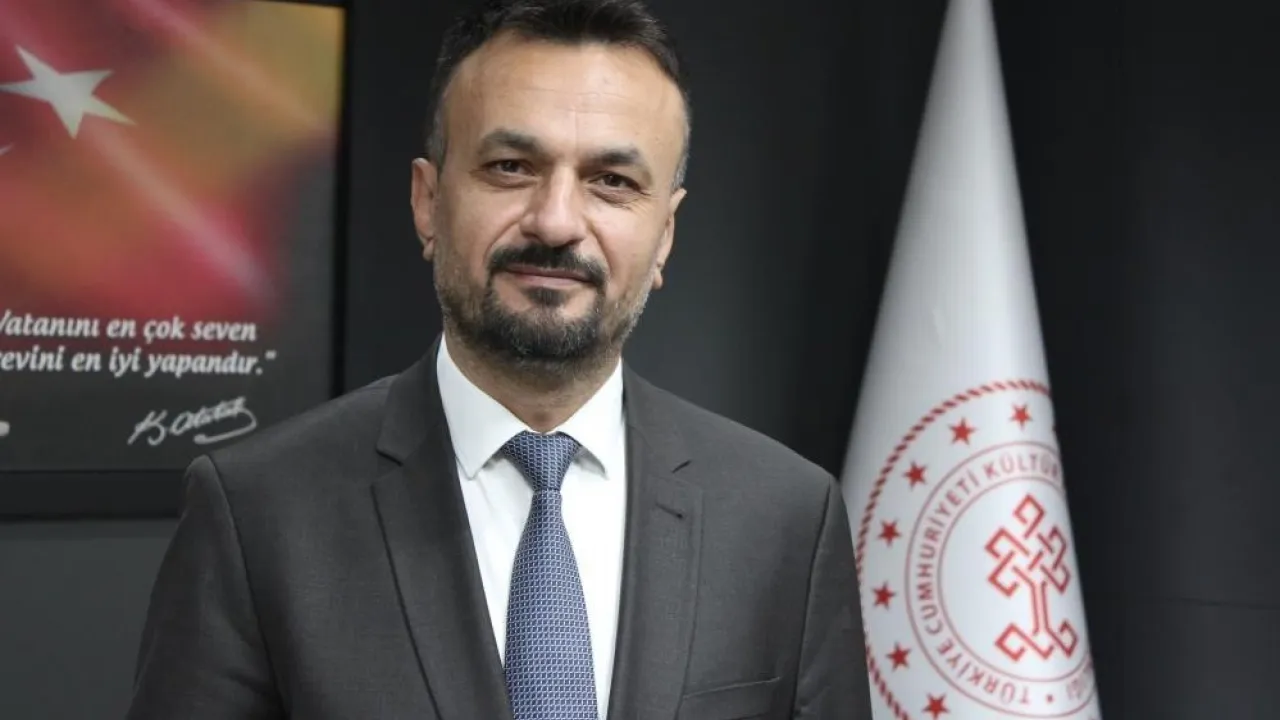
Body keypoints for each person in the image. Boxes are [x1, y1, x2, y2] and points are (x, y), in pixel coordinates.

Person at [125, 0, 872, 718]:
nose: (556, 221)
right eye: (512, 166)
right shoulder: (258, 514)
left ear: (665, 235)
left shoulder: (785, 519)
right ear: (427, 201)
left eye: (612, 182)